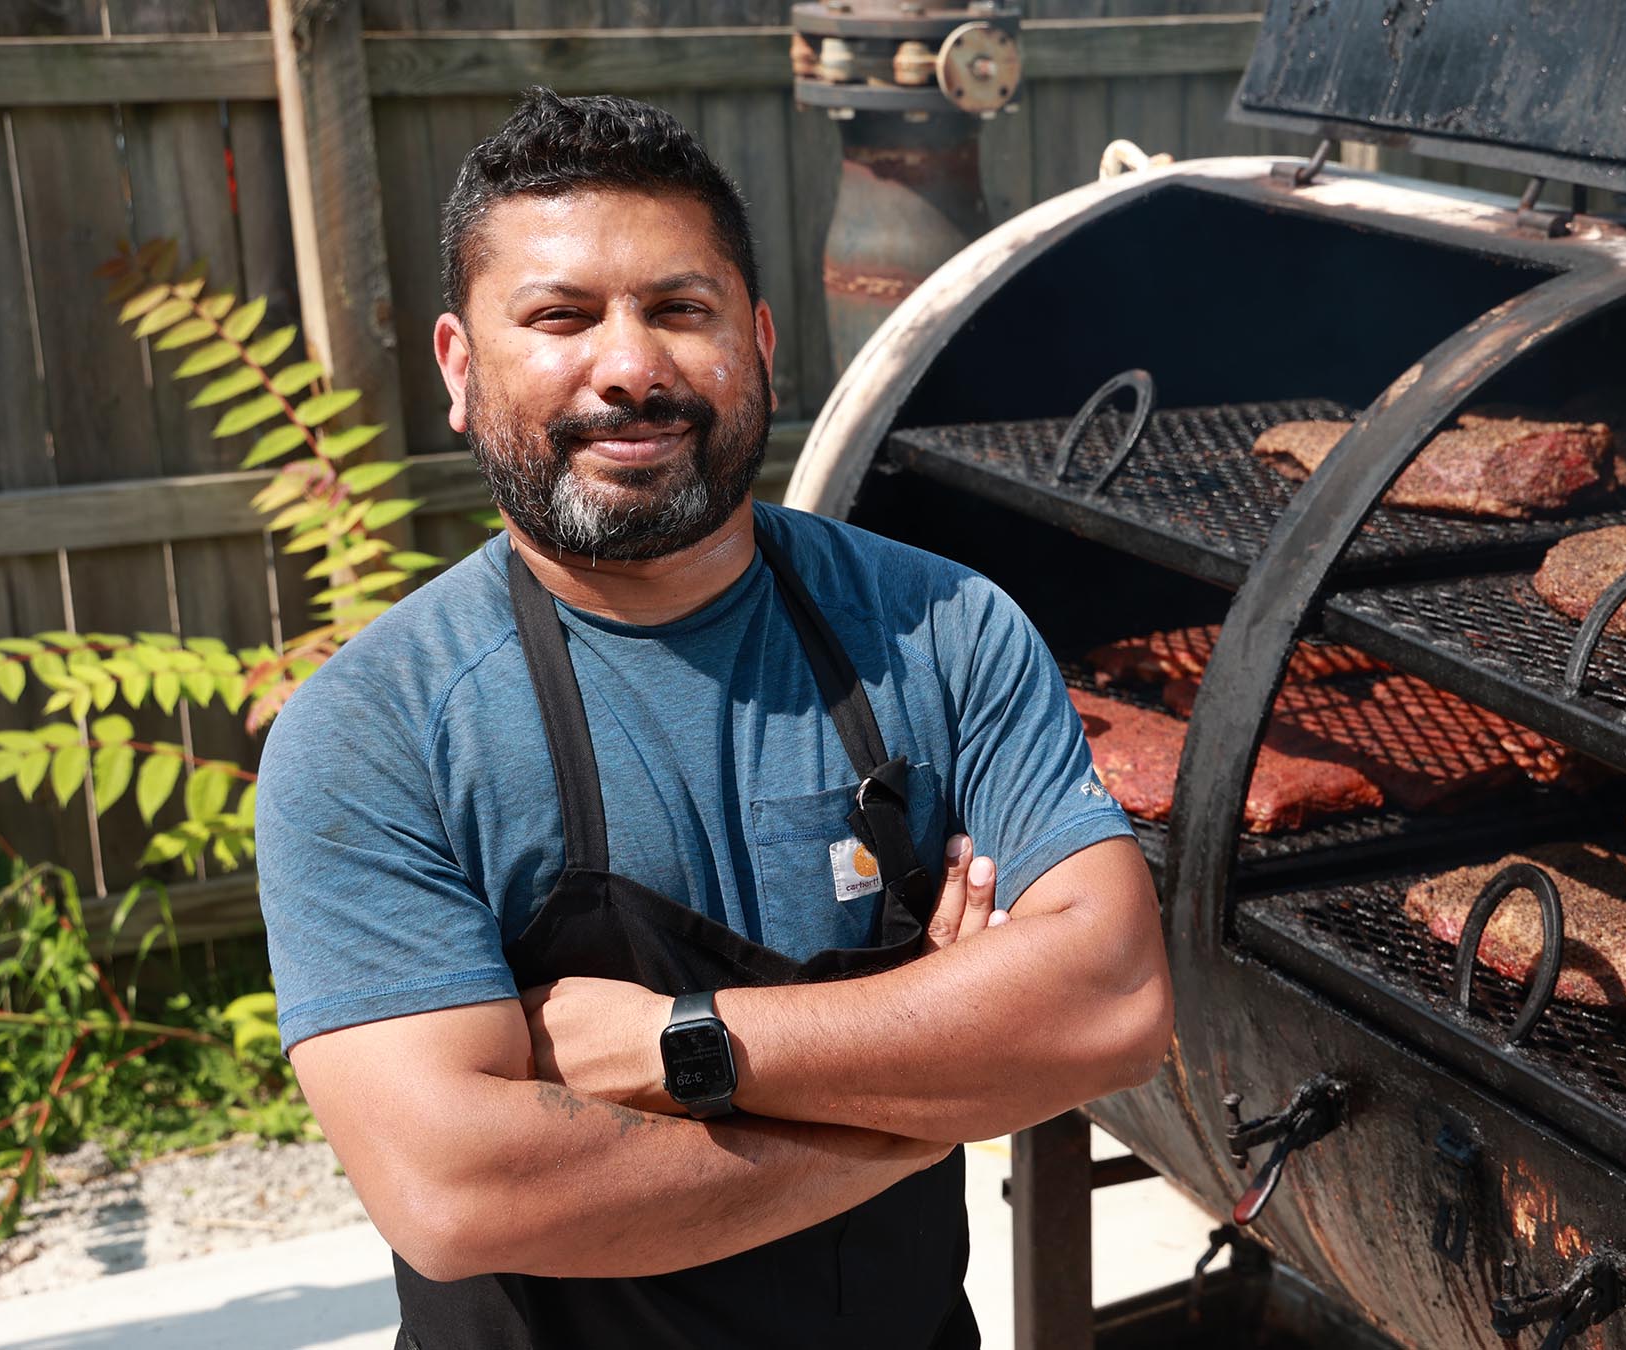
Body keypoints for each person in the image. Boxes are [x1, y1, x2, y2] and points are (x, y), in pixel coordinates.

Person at [255, 88, 1172, 1350]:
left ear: (759, 340)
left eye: (679, 311)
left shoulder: (940, 628)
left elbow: (1113, 1002)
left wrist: (673, 1042)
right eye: (561, 318)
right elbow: (458, 1190)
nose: (629, 368)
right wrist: (926, 1103)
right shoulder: (375, 733)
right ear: (461, 370)